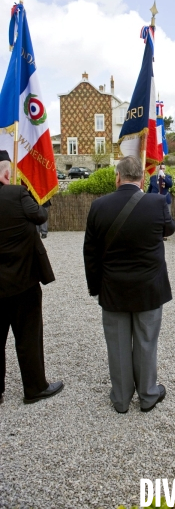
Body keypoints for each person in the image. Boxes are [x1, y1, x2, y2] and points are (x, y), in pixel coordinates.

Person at [83, 156, 175, 413]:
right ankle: (147, 396)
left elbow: (89, 252)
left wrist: (95, 287)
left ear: (117, 177)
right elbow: (170, 230)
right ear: (143, 179)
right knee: (146, 342)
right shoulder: (157, 202)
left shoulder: (98, 206)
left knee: (117, 345)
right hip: (149, 288)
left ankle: (121, 399)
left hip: (113, 289)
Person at [0, 150, 63, 405]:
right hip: (23, 282)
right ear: (7, 172)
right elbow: (41, 215)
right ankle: (35, 388)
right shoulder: (16, 193)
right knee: (28, 337)